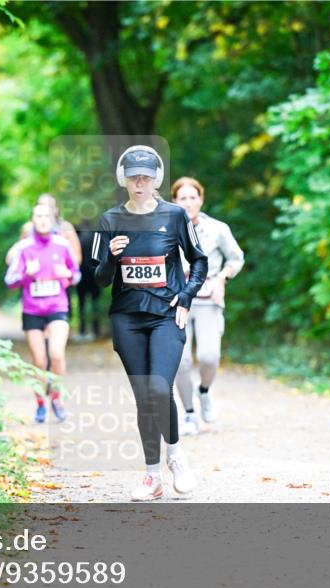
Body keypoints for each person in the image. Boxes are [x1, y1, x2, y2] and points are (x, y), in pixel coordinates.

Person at [91, 146, 208, 501]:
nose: (139, 183)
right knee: (145, 396)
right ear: (123, 179)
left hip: (166, 316)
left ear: (155, 179)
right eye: (133, 177)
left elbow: (199, 261)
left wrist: (186, 296)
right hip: (127, 318)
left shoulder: (174, 215)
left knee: (159, 388)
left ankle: (176, 457)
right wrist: (111, 257)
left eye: (145, 177)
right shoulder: (109, 220)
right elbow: (98, 278)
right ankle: (152, 476)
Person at [171, 177, 245, 435]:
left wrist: (223, 278)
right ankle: (189, 414)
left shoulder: (218, 229)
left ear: (201, 200)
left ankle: (204, 391)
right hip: (177, 303)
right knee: (180, 362)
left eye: (193, 197)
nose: (189, 202)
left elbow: (236, 258)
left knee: (208, 356)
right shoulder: (166, 229)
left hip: (208, 301)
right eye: (183, 198)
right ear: (174, 202)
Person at [5, 203, 81, 423]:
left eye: (46, 216)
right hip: (33, 311)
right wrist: (25, 275)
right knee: (39, 360)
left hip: (57, 307)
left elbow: (76, 276)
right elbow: (9, 281)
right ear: (33, 220)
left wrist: (66, 273)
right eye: (38, 216)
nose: (42, 220)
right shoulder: (23, 248)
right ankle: (40, 404)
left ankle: (57, 399)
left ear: (53, 219)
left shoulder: (62, 245)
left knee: (56, 354)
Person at [75, 219, 102, 341]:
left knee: (82, 303)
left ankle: (82, 330)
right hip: (94, 274)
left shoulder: (78, 236)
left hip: (81, 274)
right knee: (95, 302)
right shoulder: (95, 235)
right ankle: (96, 330)